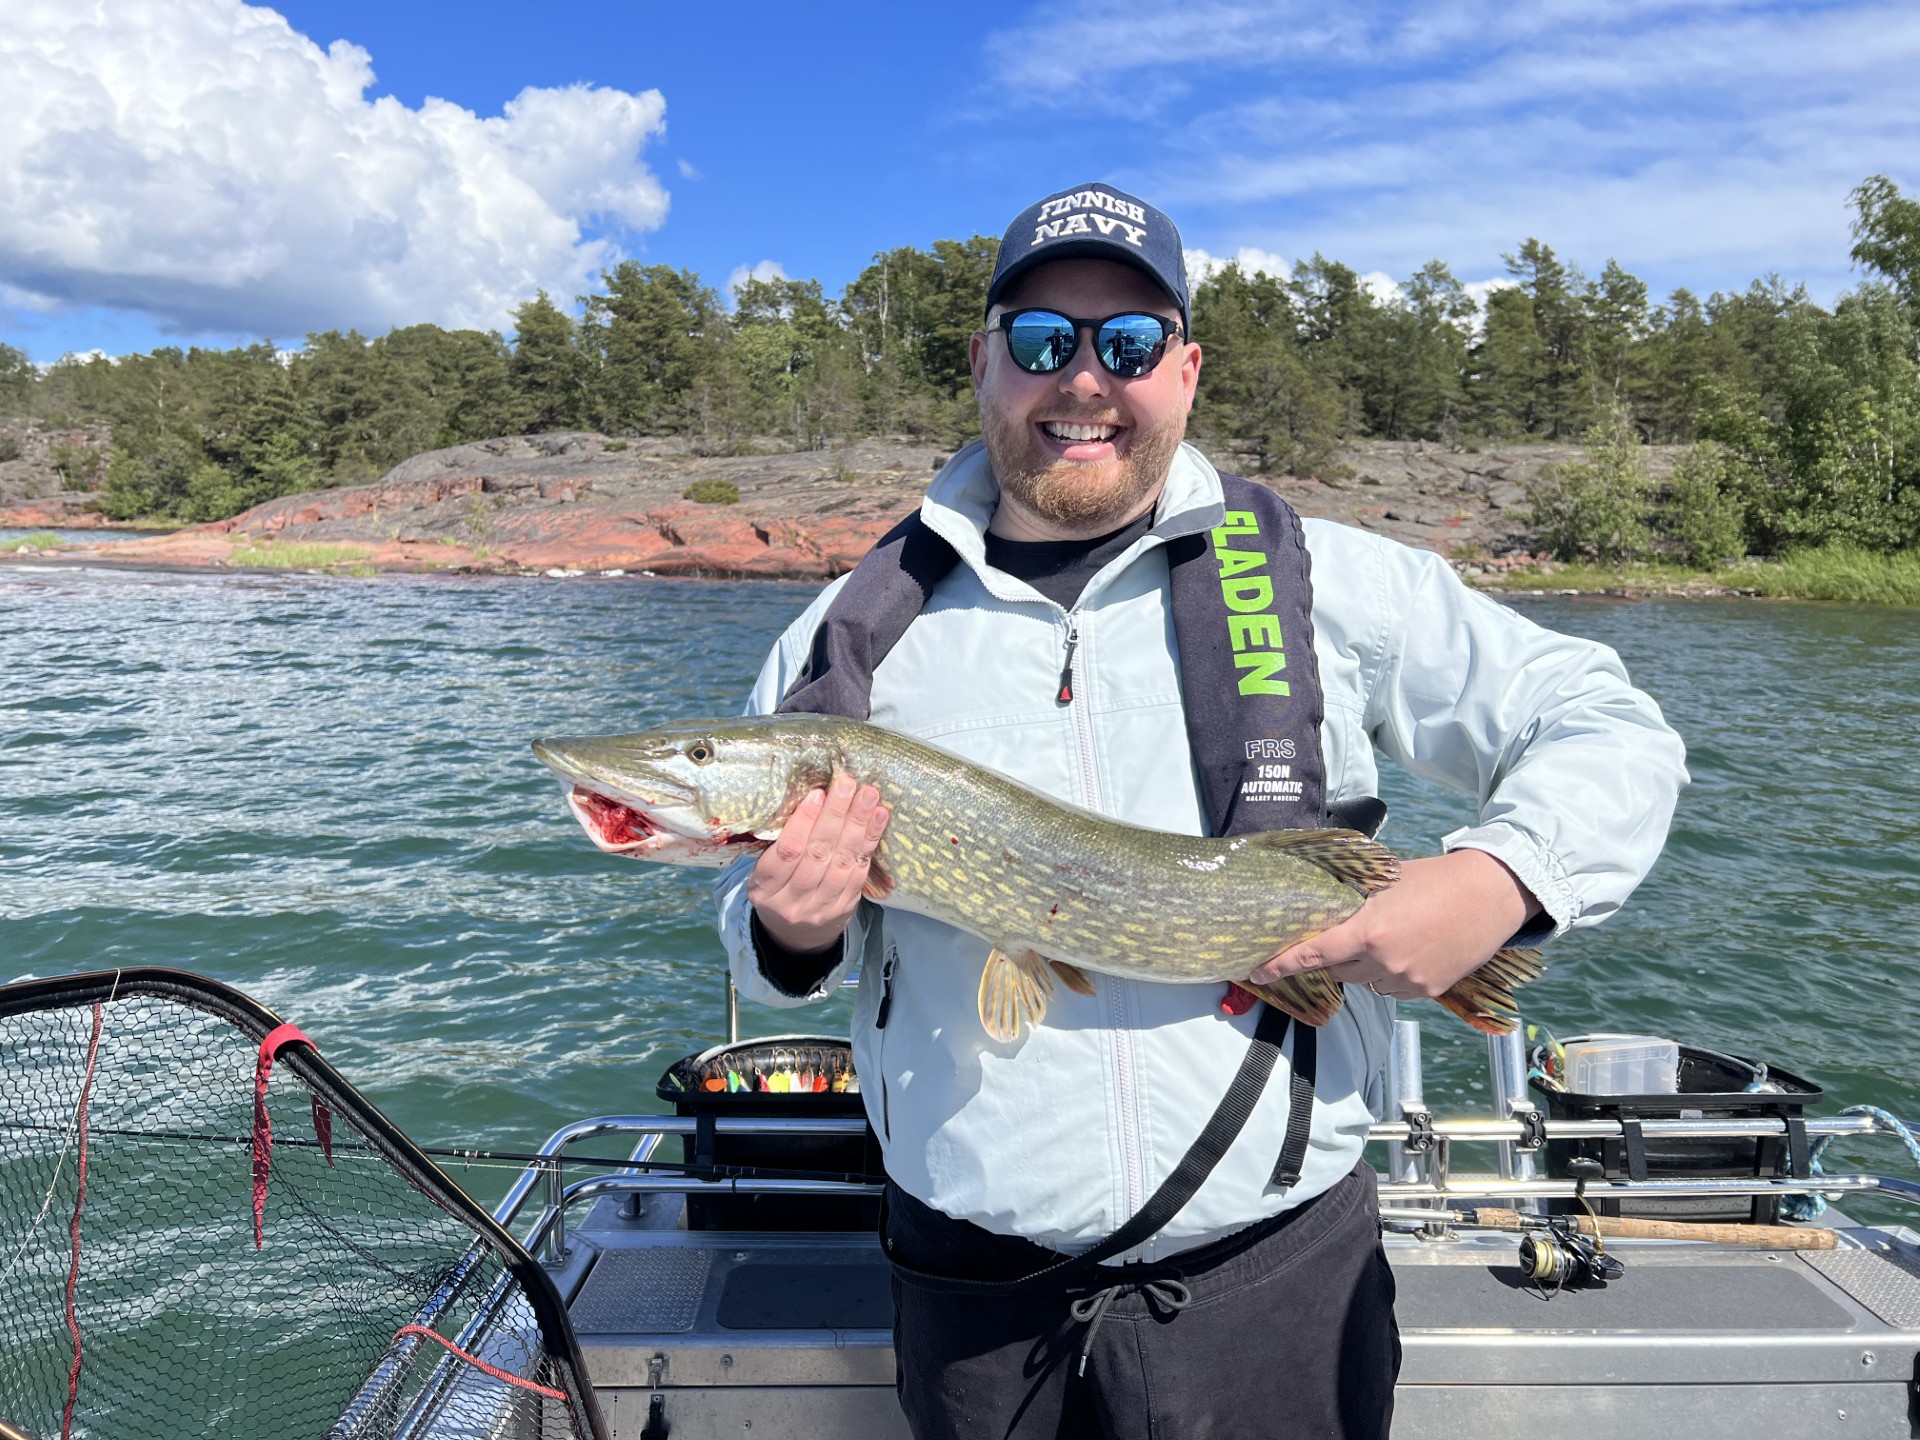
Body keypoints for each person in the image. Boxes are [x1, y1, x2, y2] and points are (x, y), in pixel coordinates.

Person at [715, 182, 1687, 1439]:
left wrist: (1499, 881)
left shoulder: (1333, 579)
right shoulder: (844, 634)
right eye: (1041, 339)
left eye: (1128, 343)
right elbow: (756, 934)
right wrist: (788, 927)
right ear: (983, 361)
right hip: (972, 1293)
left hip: (1276, 1279)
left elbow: (1606, 721)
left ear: (1184, 370)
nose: (1083, 379)